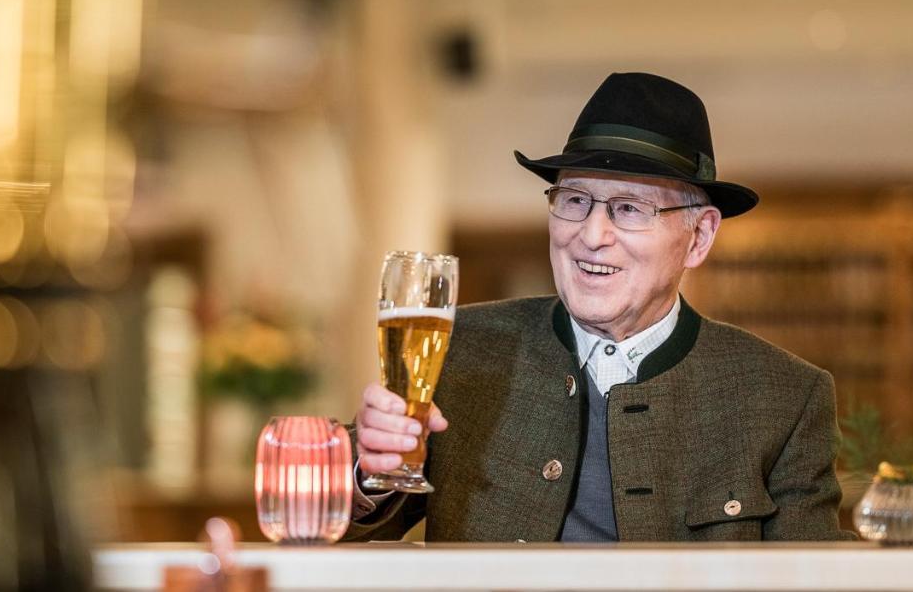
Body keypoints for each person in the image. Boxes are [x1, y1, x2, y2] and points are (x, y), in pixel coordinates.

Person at [348, 72, 850, 542]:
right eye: (574, 201)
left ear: (699, 237)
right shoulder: (464, 348)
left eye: (629, 208)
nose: (591, 236)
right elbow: (345, 527)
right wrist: (370, 469)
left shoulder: (785, 395)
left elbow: (815, 579)